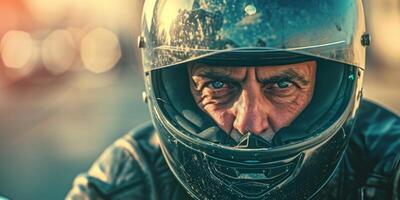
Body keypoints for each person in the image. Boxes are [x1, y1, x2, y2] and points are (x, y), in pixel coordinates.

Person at [66, 0, 400, 199]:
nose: (249, 123)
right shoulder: (134, 176)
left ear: (328, 88)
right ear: (177, 90)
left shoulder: (386, 161)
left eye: (282, 84)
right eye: (217, 85)